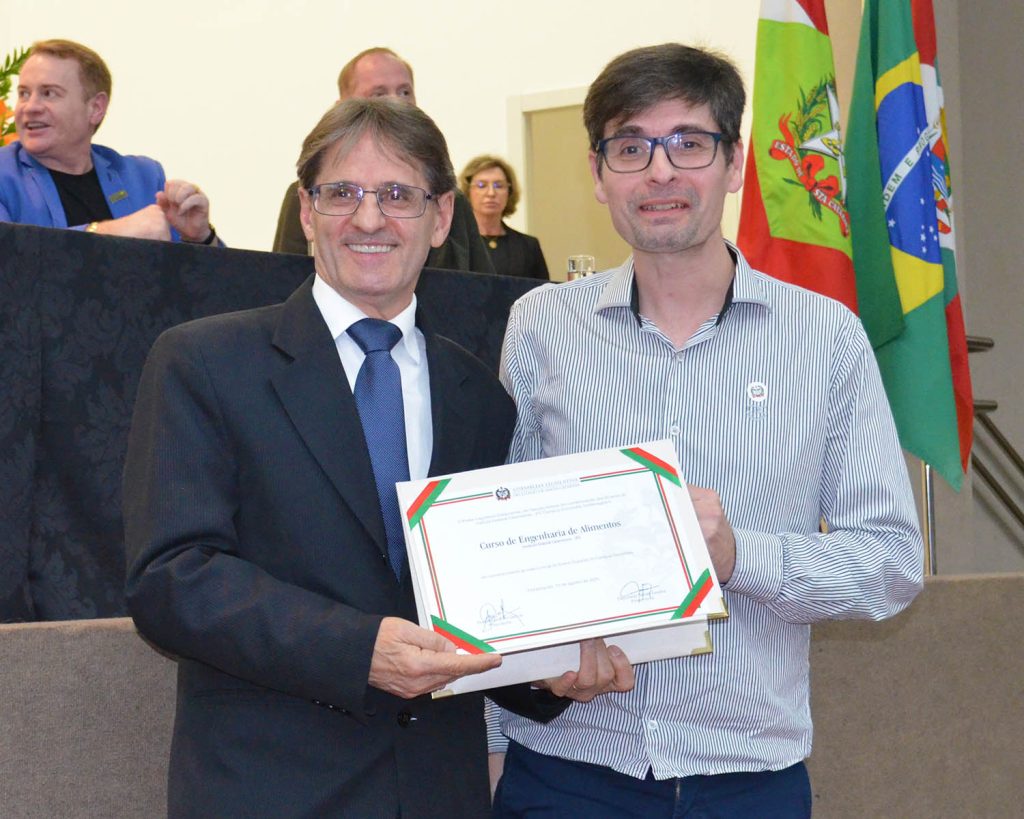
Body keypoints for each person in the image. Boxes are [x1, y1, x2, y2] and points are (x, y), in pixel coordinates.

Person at [123, 97, 632, 818]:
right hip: (269, 791)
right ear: (307, 212)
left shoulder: (479, 397)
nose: (369, 219)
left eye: (397, 194)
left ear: (441, 216)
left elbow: (480, 597)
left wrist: (546, 672)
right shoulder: (205, 362)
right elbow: (172, 580)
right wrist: (358, 649)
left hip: (438, 793)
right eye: (342, 193)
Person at [490, 43, 924, 817]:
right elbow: (499, 556)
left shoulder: (825, 337)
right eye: (631, 147)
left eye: (689, 143)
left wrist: (737, 556)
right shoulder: (540, 326)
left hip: (748, 777)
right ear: (598, 174)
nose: (660, 171)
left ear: (733, 164)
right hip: (565, 771)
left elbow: (890, 563)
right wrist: (495, 744)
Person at [272, 46, 494, 275]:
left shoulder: (447, 198)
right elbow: (286, 280)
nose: (396, 102)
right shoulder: (313, 195)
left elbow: (480, 286)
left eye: (404, 92)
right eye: (379, 94)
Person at [0, 39, 219, 244]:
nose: (30, 107)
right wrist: (108, 232)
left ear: (96, 108)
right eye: (24, 93)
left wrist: (200, 238)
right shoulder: (5, 175)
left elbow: (196, 271)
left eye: (49, 93)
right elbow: (9, 257)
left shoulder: (143, 177)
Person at [460, 155, 548, 280]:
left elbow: (543, 291)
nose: (491, 193)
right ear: (467, 191)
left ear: (509, 192)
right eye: (481, 185)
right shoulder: (456, 244)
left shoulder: (528, 246)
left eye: (499, 185)